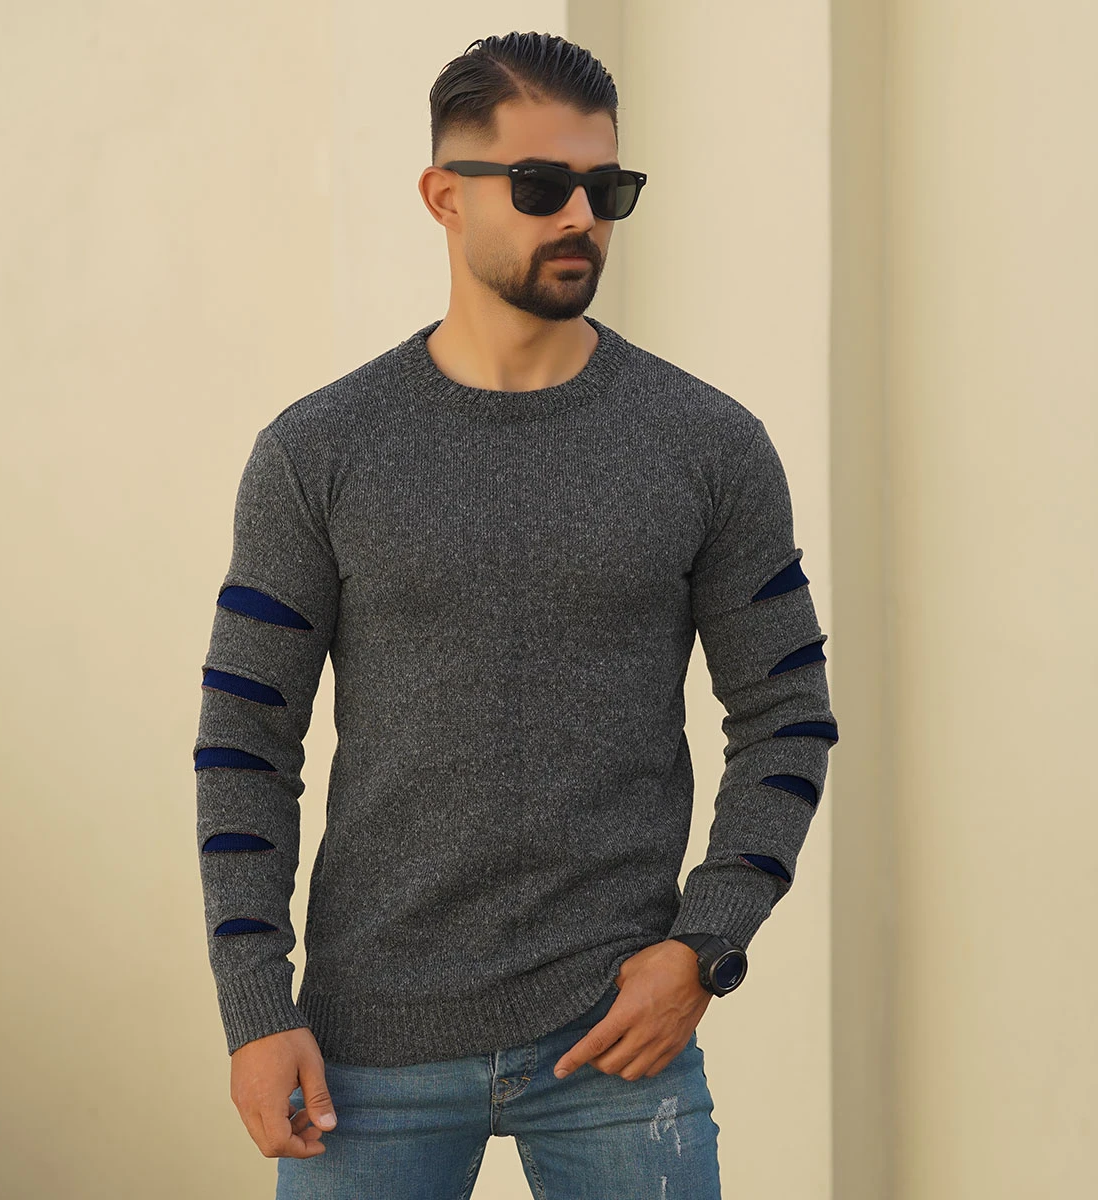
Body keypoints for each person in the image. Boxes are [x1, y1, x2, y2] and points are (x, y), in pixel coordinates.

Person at [193, 30, 837, 1200]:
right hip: (365, 1049)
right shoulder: (318, 451)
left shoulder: (707, 446)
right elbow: (246, 740)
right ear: (445, 195)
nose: (581, 217)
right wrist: (254, 1005)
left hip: (618, 1042)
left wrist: (705, 948)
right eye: (542, 186)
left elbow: (788, 715)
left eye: (606, 189)